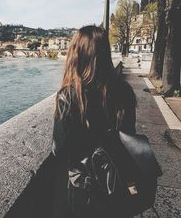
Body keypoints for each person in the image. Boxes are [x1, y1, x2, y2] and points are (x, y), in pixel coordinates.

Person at [51, 25, 137, 218]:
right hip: (118, 182)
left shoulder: (69, 96)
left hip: (85, 188)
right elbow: (128, 136)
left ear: (77, 55)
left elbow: (59, 149)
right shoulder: (124, 91)